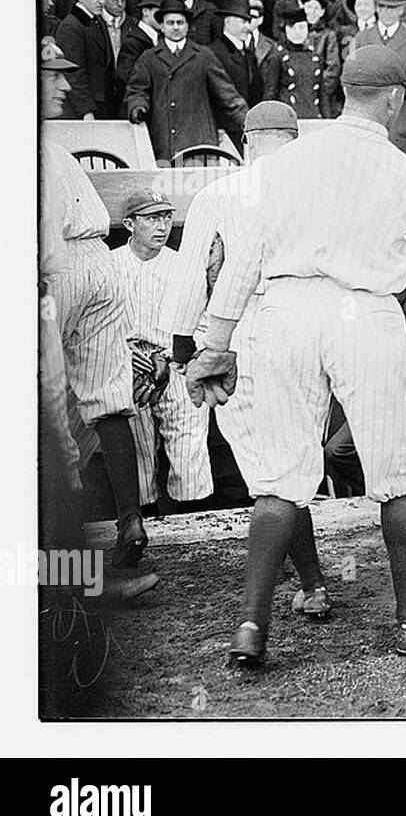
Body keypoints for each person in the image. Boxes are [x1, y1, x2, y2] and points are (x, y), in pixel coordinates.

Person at [185, 48, 406, 665]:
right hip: (366, 314)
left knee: (281, 477)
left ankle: (251, 627)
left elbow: (243, 261)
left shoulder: (283, 163)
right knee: (393, 471)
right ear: (393, 99)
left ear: (341, 92)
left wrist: (214, 343)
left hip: (284, 311)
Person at [161, 100, 334, 620]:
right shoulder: (321, 190)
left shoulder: (219, 191)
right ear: (294, 139)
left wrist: (181, 350)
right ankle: (314, 584)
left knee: (268, 473)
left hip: (233, 332)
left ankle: (254, 619)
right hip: (308, 329)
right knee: (294, 463)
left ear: (246, 141)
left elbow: (190, 276)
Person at [41, 42, 149, 568]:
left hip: (60, 269)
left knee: (49, 408)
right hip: (98, 265)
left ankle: (68, 553)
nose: (64, 84)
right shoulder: (45, 145)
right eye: (52, 75)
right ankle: (129, 519)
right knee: (106, 399)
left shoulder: (39, 145)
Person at [110, 192, 213, 509]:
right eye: (151, 218)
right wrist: (124, 355)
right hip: (127, 364)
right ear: (130, 223)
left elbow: (203, 322)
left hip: (174, 360)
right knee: (139, 450)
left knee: (189, 439)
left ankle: (194, 521)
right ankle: (143, 523)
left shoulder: (182, 265)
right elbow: (94, 323)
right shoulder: (109, 264)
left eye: (166, 217)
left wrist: (168, 358)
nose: (161, 226)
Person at [124, 0, 248, 163]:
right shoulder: (149, 58)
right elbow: (137, 90)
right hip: (165, 140)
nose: (175, 27)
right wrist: (138, 106)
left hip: (199, 140)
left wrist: (249, 121)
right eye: (170, 23)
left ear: (188, 25)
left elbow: (228, 95)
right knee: (167, 186)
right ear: (161, 26)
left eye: (180, 22)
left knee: (200, 186)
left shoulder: (203, 56)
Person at [349, 0, 406, 156]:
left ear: (402, 9)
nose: (386, 12)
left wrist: (398, 82)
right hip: (369, 112)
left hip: (403, 115)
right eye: (382, 7)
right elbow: (349, 73)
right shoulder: (362, 38)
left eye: (392, 8)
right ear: (376, 7)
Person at [56, 0, 118, 120]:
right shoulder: (71, 26)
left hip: (102, 103)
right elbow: (73, 73)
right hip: (84, 109)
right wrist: (86, 111)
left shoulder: (97, 21)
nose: (101, 1)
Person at [209, 0, 264, 108]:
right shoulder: (214, 52)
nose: (248, 27)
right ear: (227, 21)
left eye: (248, 22)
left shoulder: (248, 53)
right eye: (243, 22)